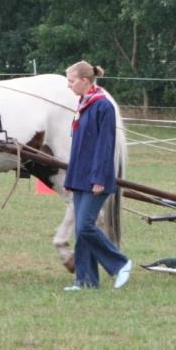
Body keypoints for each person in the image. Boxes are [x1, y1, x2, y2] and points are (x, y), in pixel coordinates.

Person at [63, 61, 132, 291]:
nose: (68, 85)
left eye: (71, 80)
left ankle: (120, 263)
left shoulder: (103, 106)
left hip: (96, 178)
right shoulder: (83, 104)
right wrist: (71, 178)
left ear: (85, 80)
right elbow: (79, 146)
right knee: (79, 230)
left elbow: (105, 147)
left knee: (85, 227)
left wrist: (99, 179)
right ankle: (85, 280)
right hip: (79, 177)